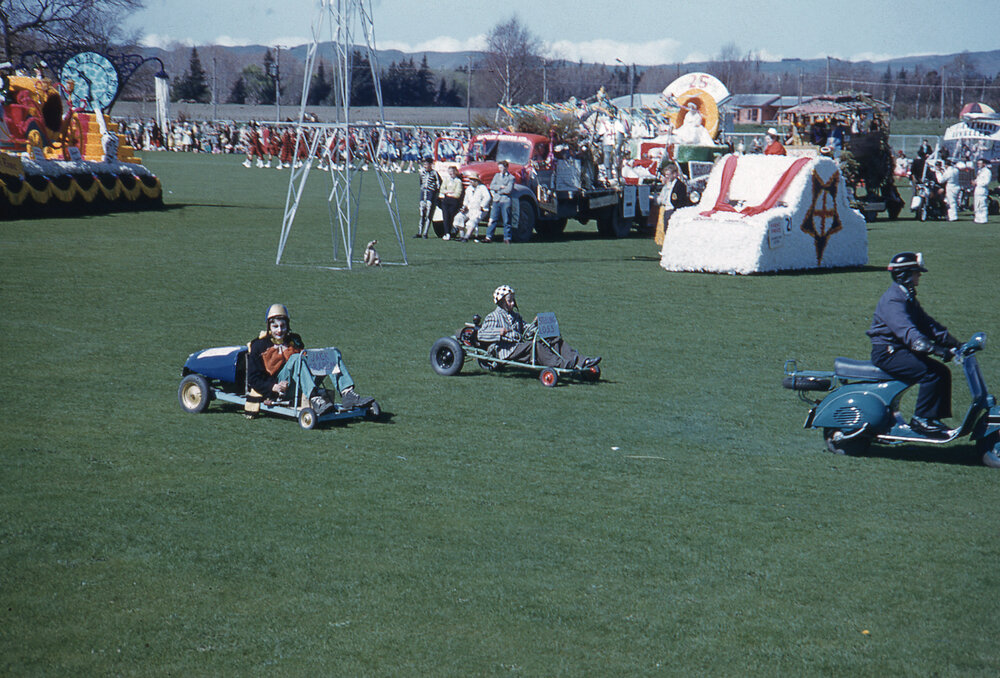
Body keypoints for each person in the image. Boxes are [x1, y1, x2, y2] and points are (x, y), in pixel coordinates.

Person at [866, 253, 961, 437]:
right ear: (904, 274)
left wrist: (956, 343)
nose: (920, 276)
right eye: (916, 273)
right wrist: (933, 349)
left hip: (899, 349)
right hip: (887, 352)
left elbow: (928, 325)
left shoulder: (906, 295)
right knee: (931, 373)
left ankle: (932, 419)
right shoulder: (893, 300)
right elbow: (908, 331)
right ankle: (921, 419)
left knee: (941, 372)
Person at [245, 304, 374, 419]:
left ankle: (347, 394)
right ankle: (314, 399)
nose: (279, 330)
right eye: (275, 326)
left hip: (301, 381)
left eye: (283, 326)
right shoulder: (259, 345)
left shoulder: (294, 340)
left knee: (332, 353)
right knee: (296, 358)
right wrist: (273, 386)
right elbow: (253, 378)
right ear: (269, 327)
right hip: (281, 388)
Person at [478, 286, 601, 371]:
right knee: (534, 345)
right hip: (506, 350)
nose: (513, 303)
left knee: (553, 338)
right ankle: (561, 364)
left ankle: (581, 361)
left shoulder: (516, 316)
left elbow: (526, 330)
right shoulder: (493, 317)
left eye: (513, 301)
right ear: (501, 302)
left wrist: (535, 324)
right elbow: (481, 334)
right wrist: (498, 332)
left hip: (519, 345)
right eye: (510, 301)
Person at [454, 171, 491, 242]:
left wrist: (482, 205)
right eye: (470, 180)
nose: (470, 181)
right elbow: (466, 199)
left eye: (471, 180)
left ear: (476, 181)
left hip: (480, 210)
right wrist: (464, 206)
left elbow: (487, 197)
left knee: (473, 220)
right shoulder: (469, 189)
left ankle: (466, 237)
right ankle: (462, 236)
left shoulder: (482, 188)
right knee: (458, 217)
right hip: (469, 209)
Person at [485, 160, 514, 243]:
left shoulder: (511, 178)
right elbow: (492, 186)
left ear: (506, 167)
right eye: (499, 167)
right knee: (493, 219)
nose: (500, 169)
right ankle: (489, 236)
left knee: (506, 220)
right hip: (496, 200)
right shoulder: (496, 176)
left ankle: (507, 238)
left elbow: (509, 190)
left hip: (505, 200)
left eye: (502, 167)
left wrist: (498, 190)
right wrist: (501, 187)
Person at [416, 158, 440, 238]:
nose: (425, 166)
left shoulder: (434, 173)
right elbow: (420, 182)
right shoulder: (422, 173)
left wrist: (435, 193)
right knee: (422, 213)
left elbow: (439, 183)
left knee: (428, 214)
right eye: (424, 164)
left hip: (431, 194)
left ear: (430, 165)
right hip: (423, 194)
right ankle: (419, 232)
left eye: (426, 164)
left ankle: (425, 233)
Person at [439, 165, 464, 240]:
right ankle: (447, 233)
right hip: (446, 200)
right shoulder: (446, 180)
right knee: (445, 216)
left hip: (454, 201)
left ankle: (451, 231)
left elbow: (458, 193)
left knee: (451, 216)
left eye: (452, 172)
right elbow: (442, 189)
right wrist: (448, 192)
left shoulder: (458, 181)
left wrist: (450, 193)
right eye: (449, 172)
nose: (451, 174)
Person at [973, 158, 991, 224]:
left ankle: (983, 219)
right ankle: (977, 218)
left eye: (980, 163)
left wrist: (977, 183)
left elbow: (986, 182)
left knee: (982, 204)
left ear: (984, 164)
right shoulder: (980, 171)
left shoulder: (987, 171)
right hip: (977, 189)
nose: (978, 165)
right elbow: (978, 179)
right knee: (977, 204)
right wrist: (974, 182)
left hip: (982, 189)